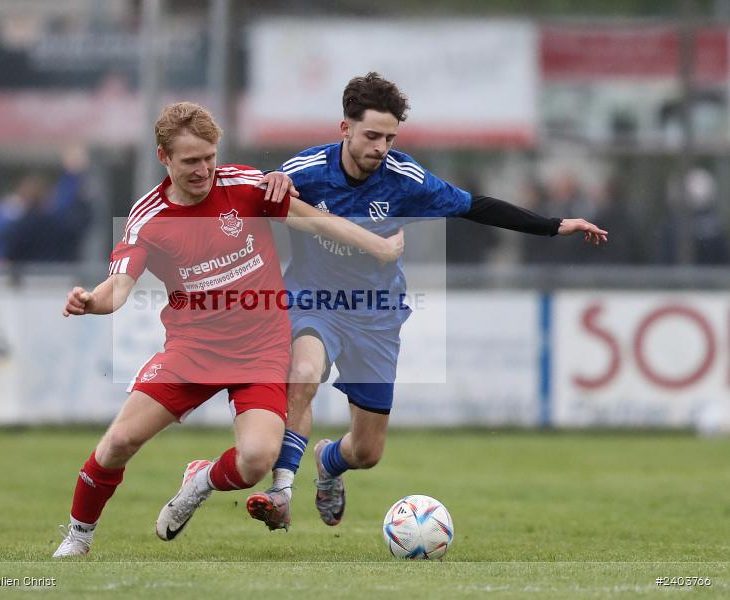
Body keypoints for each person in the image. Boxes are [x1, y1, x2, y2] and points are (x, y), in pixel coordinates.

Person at [245, 72, 608, 531]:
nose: (381, 147)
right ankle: (280, 492)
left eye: (390, 138)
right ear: (345, 129)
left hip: (375, 315)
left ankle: (329, 462)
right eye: (372, 135)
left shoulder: (405, 178)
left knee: (367, 452)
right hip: (313, 299)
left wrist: (554, 225)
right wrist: (268, 181)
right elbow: (247, 192)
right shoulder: (306, 170)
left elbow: (474, 206)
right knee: (303, 373)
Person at [52, 101, 403, 557]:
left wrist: (378, 246)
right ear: (164, 157)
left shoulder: (245, 186)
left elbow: (316, 220)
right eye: (190, 161)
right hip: (192, 352)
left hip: (261, 352)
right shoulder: (148, 219)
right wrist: (89, 302)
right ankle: (78, 537)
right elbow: (117, 289)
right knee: (119, 440)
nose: (203, 170)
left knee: (256, 460)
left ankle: (199, 482)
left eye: (209, 157)